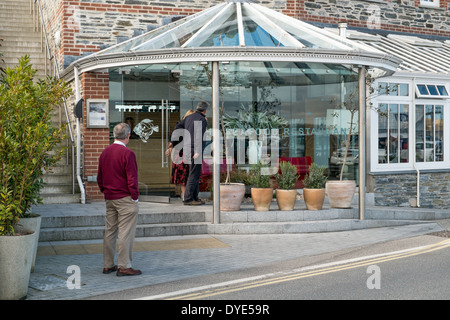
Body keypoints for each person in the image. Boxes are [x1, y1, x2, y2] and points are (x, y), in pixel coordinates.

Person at [97, 123, 141, 276]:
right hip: (124, 198)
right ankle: (124, 266)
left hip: (109, 197)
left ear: (114, 135)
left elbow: (99, 177)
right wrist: (134, 197)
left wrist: (104, 190)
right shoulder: (128, 154)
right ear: (128, 136)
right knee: (125, 232)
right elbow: (132, 179)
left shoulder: (105, 152)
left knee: (110, 231)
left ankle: (108, 265)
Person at [181, 102, 208, 205]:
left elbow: (179, 126)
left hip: (188, 149)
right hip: (195, 151)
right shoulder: (201, 119)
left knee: (195, 174)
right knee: (193, 174)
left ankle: (195, 197)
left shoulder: (189, 118)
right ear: (205, 110)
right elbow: (199, 136)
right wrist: (198, 151)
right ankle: (188, 198)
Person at [165, 110, 195, 201]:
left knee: (189, 176)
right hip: (181, 154)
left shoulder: (192, 128)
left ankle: (189, 196)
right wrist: (171, 147)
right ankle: (184, 197)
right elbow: (174, 139)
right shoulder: (180, 126)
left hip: (189, 154)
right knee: (183, 177)